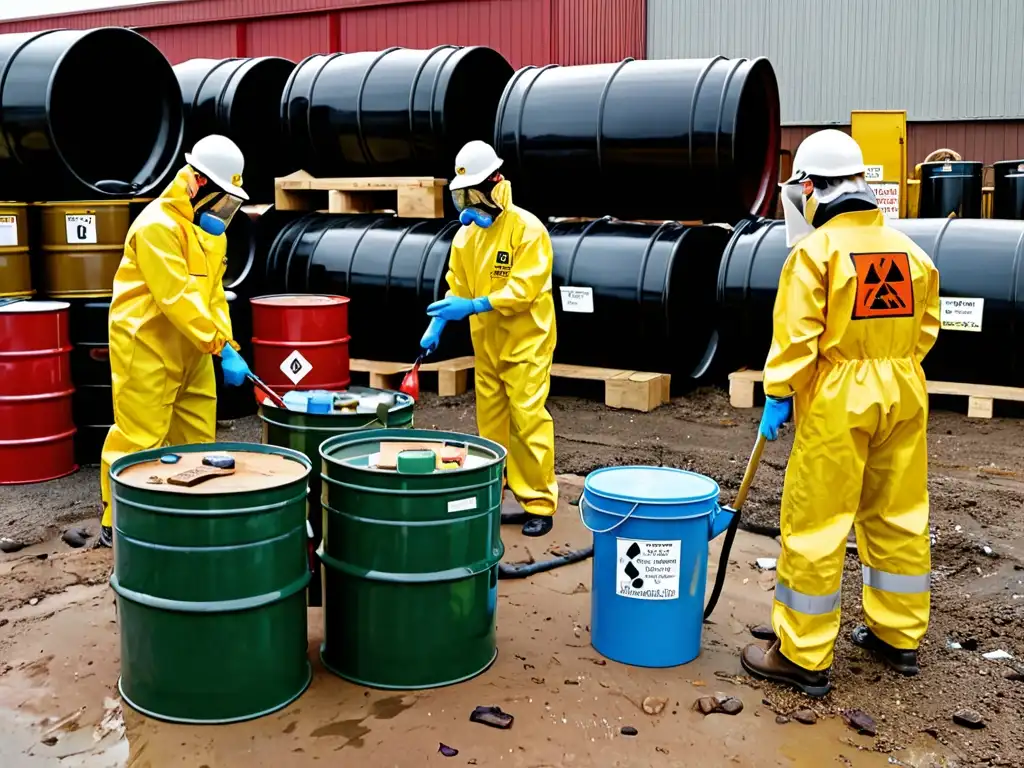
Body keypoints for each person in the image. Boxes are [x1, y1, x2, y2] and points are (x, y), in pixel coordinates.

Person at [740, 129, 940, 697]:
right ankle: (897, 635)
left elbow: (797, 339)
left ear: (810, 187)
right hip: (902, 388)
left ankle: (802, 653)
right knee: (898, 513)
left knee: (817, 522)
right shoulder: (911, 252)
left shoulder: (814, 254)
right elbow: (926, 329)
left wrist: (779, 392)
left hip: (836, 400)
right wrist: (888, 365)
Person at [98, 135, 254, 548]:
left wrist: (227, 346)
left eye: (231, 205)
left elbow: (213, 297)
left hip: (194, 348)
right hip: (146, 344)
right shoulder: (156, 228)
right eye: (222, 201)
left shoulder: (211, 235)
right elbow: (176, 298)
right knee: (139, 437)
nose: (225, 213)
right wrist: (218, 345)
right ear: (198, 184)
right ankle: (120, 520)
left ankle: (192, 509)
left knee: (198, 434)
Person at [420, 140, 558, 537]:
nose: (468, 204)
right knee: (491, 425)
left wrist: (476, 305)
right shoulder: (465, 238)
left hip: (527, 344)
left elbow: (523, 291)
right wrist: (438, 325)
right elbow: (456, 286)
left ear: (496, 184)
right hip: (488, 346)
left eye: (473, 193)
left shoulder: (528, 230)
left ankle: (539, 503)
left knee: (528, 421)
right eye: (462, 195)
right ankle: (492, 497)